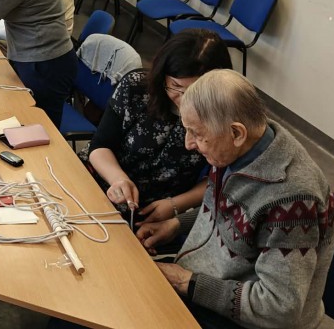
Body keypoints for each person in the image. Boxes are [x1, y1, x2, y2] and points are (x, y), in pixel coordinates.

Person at [138, 69, 334, 329]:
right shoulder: (241, 144)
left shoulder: (291, 200)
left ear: (236, 133)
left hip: (248, 319)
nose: (189, 144)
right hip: (206, 282)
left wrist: (186, 282)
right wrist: (177, 224)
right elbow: (234, 212)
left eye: (197, 134)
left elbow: (280, 308)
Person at [79, 30, 232, 224]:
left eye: (195, 91)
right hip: (103, 178)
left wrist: (175, 205)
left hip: (154, 210)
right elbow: (100, 145)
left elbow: (221, 179)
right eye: (176, 86)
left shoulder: (224, 116)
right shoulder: (136, 88)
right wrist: (118, 179)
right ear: (163, 75)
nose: (184, 100)